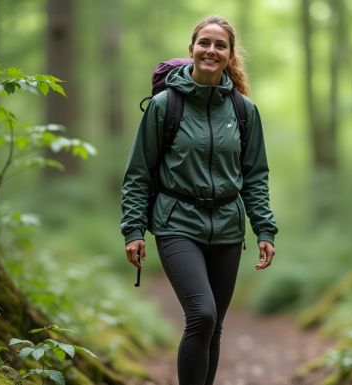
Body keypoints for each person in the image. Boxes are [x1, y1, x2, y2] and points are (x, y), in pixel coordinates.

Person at [119, 15, 279, 385]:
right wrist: (133, 229)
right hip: (177, 224)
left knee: (215, 328)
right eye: (204, 42)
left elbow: (255, 176)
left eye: (220, 45)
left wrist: (265, 230)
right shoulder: (164, 105)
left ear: (230, 55)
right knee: (202, 316)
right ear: (191, 49)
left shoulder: (243, 110)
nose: (211, 50)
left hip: (226, 227)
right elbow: (138, 172)